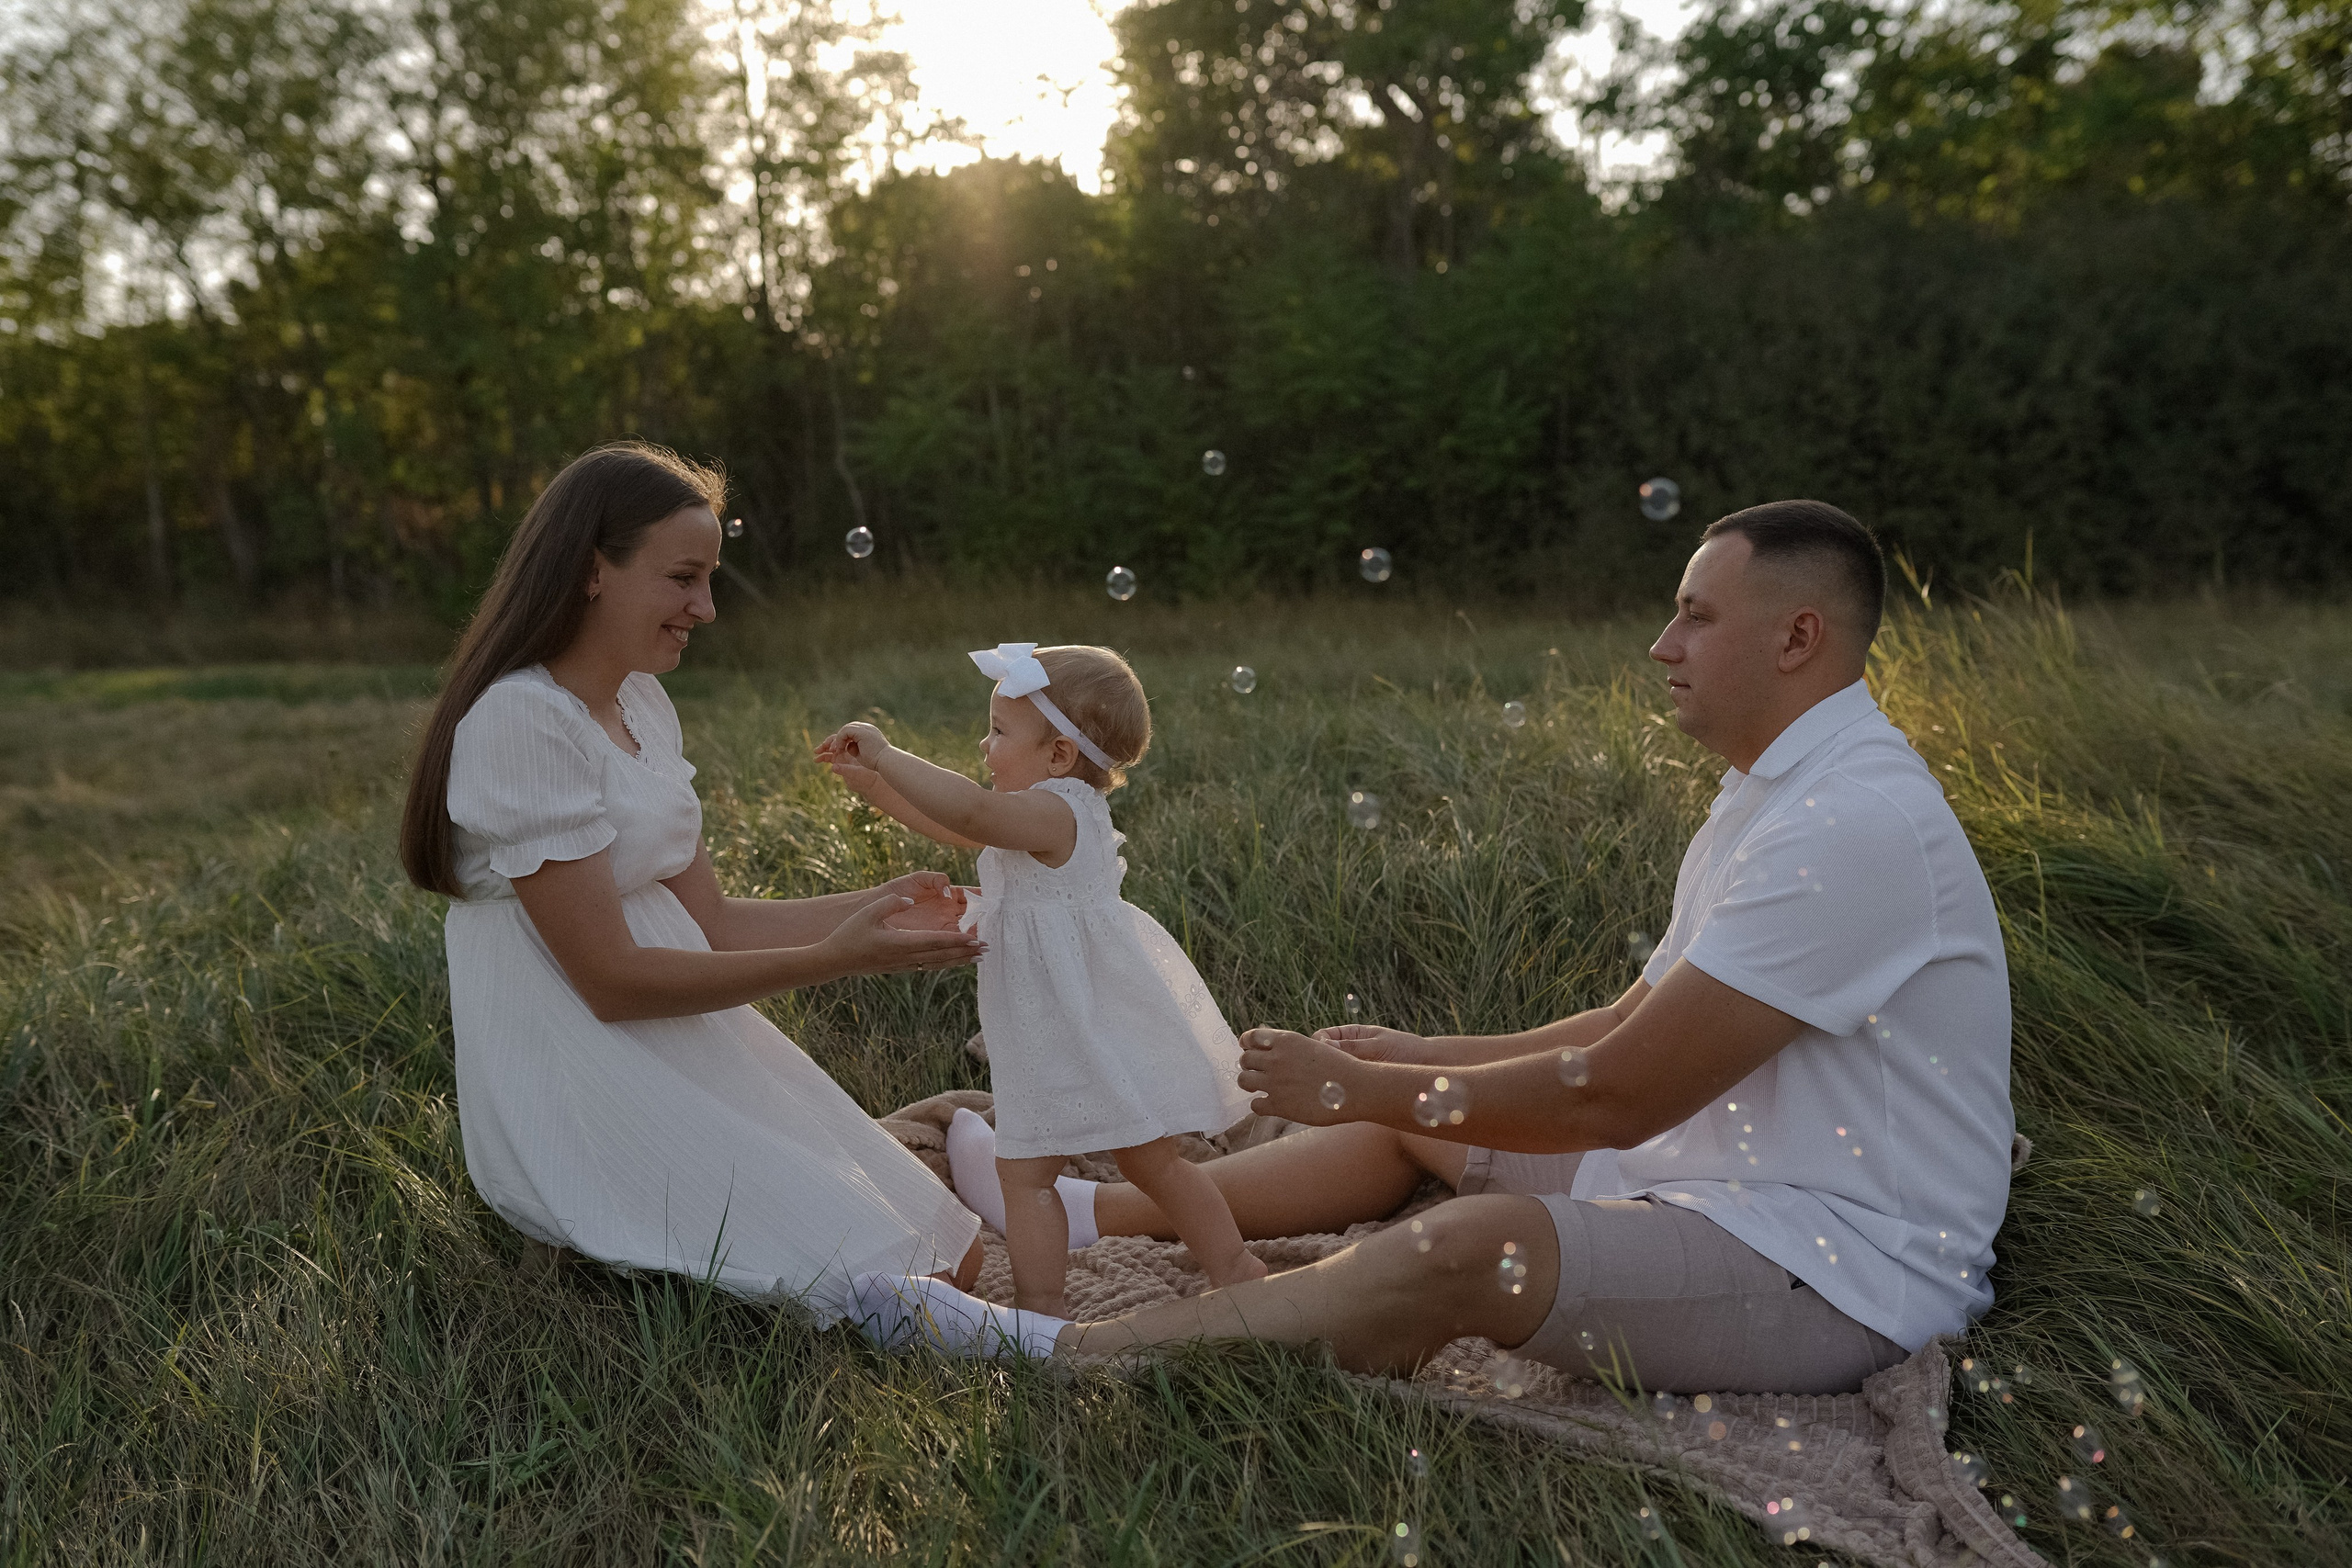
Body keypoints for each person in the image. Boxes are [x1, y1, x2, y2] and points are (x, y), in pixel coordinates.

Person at [849, 501, 2018, 1393]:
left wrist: (1362, 1084)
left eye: (1696, 617)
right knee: (1416, 1113)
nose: (1663, 643)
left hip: (1832, 1262)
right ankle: (1103, 1218)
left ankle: (1063, 1351)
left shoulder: (1850, 825)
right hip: (1708, 1174)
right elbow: (1630, 1017)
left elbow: (1616, 1094)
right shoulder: (1772, 793)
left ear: (1798, 637)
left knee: (1465, 1248)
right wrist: (1417, 1061)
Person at [397, 441, 988, 1323]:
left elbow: (710, 920)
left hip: (686, 1045)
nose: (706, 608)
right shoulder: (520, 722)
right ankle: (588, 1238)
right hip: (584, 1078)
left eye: (709, 579)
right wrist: (837, 957)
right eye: (683, 578)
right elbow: (610, 981)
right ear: (592, 570)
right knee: (901, 1289)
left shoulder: (640, 700)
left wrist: (882, 906)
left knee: (953, 1249)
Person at [816, 642, 1261, 1318]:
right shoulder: (1034, 810)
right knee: (1071, 1168)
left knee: (1086, 1169)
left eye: (999, 731)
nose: (984, 744)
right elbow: (954, 824)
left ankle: (1085, 1300)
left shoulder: (1059, 811)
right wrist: (875, 785)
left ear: (1059, 756)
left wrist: (886, 754)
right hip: (1057, 1024)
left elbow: (969, 812)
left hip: (1078, 1024)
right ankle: (1055, 1304)